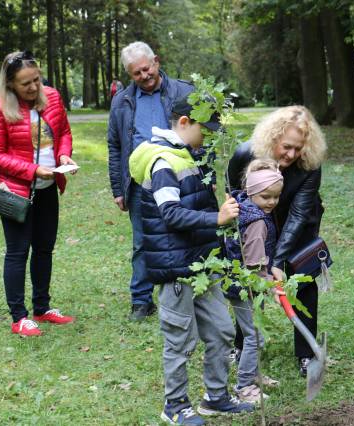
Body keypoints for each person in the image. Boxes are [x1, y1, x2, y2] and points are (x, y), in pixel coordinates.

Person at [128, 95, 255, 425]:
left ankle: (216, 396)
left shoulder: (190, 156)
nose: (210, 137)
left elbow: (196, 202)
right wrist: (216, 220)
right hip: (175, 268)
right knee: (180, 339)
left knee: (222, 331)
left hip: (202, 265)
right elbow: (170, 213)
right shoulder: (162, 162)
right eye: (206, 130)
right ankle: (175, 405)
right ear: (184, 123)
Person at [227, 105, 327, 377]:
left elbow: (298, 213)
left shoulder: (309, 164)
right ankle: (241, 343)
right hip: (255, 222)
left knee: (303, 281)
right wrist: (258, 241)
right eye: (287, 147)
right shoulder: (245, 155)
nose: (292, 155)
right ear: (273, 137)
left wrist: (280, 260)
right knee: (250, 282)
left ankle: (306, 353)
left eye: (298, 149)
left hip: (298, 224)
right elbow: (235, 196)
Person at [0, 51, 78, 337]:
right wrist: (34, 170)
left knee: (44, 248)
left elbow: (63, 132)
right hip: (15, 191)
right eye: (26, 83)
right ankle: (19, 317)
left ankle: (42, 307)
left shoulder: (52, 96)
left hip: (49, 187)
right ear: (11, 84)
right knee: (18, 251)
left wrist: (64, 156)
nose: (34, 87)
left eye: (36, 79)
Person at [107, 41, 194, 321]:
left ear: (156, 61)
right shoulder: (121, 100)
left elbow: (203, 135)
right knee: (142, 242)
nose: (144, 76)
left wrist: (206, 177)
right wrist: (118, 188)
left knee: (185, 236)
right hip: (139, 183)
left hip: (179, 176)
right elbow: (114, 145)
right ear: (129, 75)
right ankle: (141, 301)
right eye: (136, 73)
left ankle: (187, 298)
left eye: (147, 69)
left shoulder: (184, 91)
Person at [224, 158, 283, 403]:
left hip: (239, 282)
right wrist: (269, 284)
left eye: (276, 197)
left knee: (252, 332)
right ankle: (244, 386)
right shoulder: (257, 222)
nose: (272, 202)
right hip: (245, 285)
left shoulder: (243, 206)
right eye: (266, 197)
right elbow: (255, 264)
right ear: (251, 192)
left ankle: (254, 374)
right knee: (254, 335)